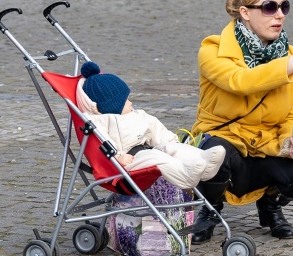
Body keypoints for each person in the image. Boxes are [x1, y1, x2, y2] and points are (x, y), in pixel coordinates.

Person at [189, 0, 293, 241]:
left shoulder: (292, 55)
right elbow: (240, 82)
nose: (280, 15)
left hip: (268, 145)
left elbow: (292, 112)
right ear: (245, 12)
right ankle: (210, 207)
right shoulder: (212, 49)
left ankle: (270, 203)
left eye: (283, 7)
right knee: (215, 152)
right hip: (227, 141)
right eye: (270, 8)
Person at [75, 61, 226, 191]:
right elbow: (101, 143)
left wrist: (171, 141)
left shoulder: (136, 114)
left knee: (171, 148)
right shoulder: (100, 122)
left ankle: (204, 163)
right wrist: (117, 157)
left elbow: (155, 127)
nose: (131, 103)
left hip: (149, 148)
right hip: (131, 160)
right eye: (126, 101)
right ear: (112, 105)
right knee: (159, 158)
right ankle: (186, 178)